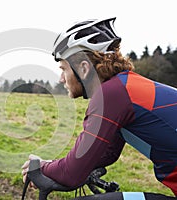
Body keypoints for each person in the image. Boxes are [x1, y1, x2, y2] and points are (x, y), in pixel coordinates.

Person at [22, 17, 177, 197]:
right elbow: (106, 153)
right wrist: (52, 166)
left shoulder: (111, 96)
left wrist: (41, 167)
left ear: (84, 69)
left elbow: (72, 173)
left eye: (63, 69)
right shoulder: (124, 88)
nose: (61, 79)